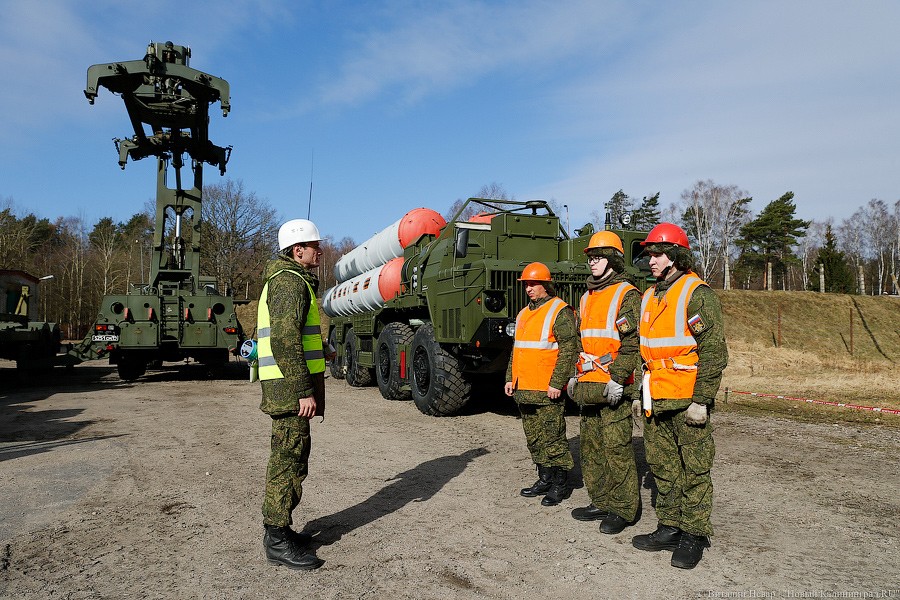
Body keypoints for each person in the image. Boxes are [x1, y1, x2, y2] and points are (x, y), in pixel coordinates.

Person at [631, 223, 727, 569]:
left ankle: (695, 534)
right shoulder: (649, 295)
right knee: (663, 468)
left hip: (688, 400)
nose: (651, 261)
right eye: (649, 255)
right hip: (655, 399)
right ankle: (670, 525)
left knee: (695, 470)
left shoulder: (696, 294)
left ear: (675, 256)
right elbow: (644, 351)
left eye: (657, 254)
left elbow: (714, 351)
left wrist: (702, 400)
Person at [257, 218, 334, 571]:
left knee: (292, 460)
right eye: (314, 245)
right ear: (297, 250)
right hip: (290, 391)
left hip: (287, 388)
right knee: (288, 464)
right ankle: (276, 540)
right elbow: (284, 340)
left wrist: (323, 352)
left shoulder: (292, 280)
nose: (319, 250)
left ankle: (282, 530)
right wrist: (304, 390)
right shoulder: (289, 283)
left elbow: (298, 337)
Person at [568, 231, 641, 535]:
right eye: (590, 257)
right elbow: (578, 341)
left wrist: (619, 379)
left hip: (613, 389)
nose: (592, 263)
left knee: (617, 449)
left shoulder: (627, 294)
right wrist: (572, 375)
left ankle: (624, 509)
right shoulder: (586, 298)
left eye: (598, 257)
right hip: (588, 386)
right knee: (592, 448)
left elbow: (632, 343)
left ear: (613, 260)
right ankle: (600, 500)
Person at [504, 262, 580, 507]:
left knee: (553, 438)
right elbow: (517, 350)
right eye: (526, 284)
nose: (529, 289)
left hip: (548, 390)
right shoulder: (523, 313)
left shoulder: (560, 311)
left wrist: (558, 382)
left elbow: (569, 349)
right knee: (534, 438)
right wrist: (509, 378)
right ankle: (544, 478)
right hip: (524, 387)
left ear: (546, 284)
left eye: (533, 284)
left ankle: (560, 484)